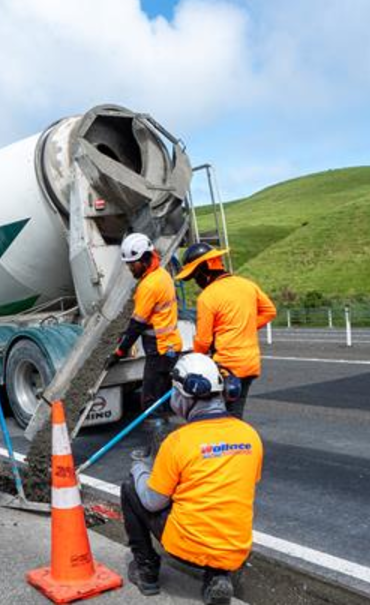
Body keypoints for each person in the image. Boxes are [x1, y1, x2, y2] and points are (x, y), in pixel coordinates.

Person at [122, 353, 263, 605]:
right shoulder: (250, 435)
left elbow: (153, 502)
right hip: (235, 549)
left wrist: (139, 468)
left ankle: (147, 572)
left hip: (186, 548)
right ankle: (217, 576)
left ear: (181, 396)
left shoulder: (178, 441)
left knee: (131, 488)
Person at [174, 244, 276, 418]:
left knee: (220, 416)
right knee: (236, 412)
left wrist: (194, 363)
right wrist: (243, 328)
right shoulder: (247, 285)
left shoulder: (208, 297)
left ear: (205, 270)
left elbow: (204, 341)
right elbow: (269, 311)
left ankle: (232, 443)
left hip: (226, 367)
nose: (197, 282)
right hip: (250, 364)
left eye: (196, 277)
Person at [111, 233, 183, 458]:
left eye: (132, 265)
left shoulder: (149, 285)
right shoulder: (162, 275)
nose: (130, 269)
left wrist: (120, 352)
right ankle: (165, 448)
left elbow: (136, 325)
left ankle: (158, 454)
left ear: (143, 259)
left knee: (151, 404)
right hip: (169, 346)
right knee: (162, 400)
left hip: (160, 349)